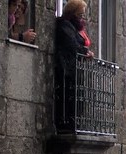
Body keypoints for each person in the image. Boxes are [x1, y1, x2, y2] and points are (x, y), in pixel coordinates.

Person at [54, 0, 93, 131]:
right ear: (73, 13)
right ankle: (68, 124)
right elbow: (71, 44)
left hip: (73, 69)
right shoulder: (65, 25)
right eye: (80, 15)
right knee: (69, 98)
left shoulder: (73, 27)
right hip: (67, 68)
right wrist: (85, 51)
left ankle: (74, 123)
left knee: (76, 98)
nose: (82, 18)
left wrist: (85, 51)